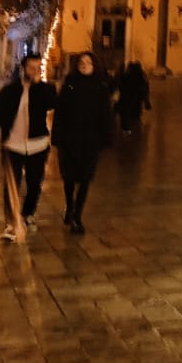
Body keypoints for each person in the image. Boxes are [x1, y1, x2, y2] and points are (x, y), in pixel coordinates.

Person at [0, 55, 58, 242]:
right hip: (12, 145)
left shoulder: (46, 89)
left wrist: (39, 85)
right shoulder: (9, 91)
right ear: (23, 68)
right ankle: (11, 222)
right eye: (31, 67)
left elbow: (52, 103)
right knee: (12, 185)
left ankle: (27, 213)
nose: (35, 71)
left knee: (34, 183)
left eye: (38, 67)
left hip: (37, 145)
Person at [53, 52, 113, 235]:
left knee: (86, 179)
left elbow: (106, 115)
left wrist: (106, 138)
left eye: (88, 62)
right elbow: (60, 111)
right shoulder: (70, 84)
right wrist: (57, 136)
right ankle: (70, 206)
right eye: (81, 62)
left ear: (94, 65)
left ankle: (77, 215)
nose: (84, 65)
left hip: (90, 141)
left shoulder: (101, 87)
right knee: (69, 177)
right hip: (70, 140)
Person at [116, 61, 150, 135]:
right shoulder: (142, 75)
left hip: (128, 99)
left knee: (128, 116)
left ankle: (128, 132)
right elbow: (145, 88)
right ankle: (134, 133)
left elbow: (121, 84)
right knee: (135, 118)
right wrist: (146, 100)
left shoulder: (127, 75)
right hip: (137, 98)